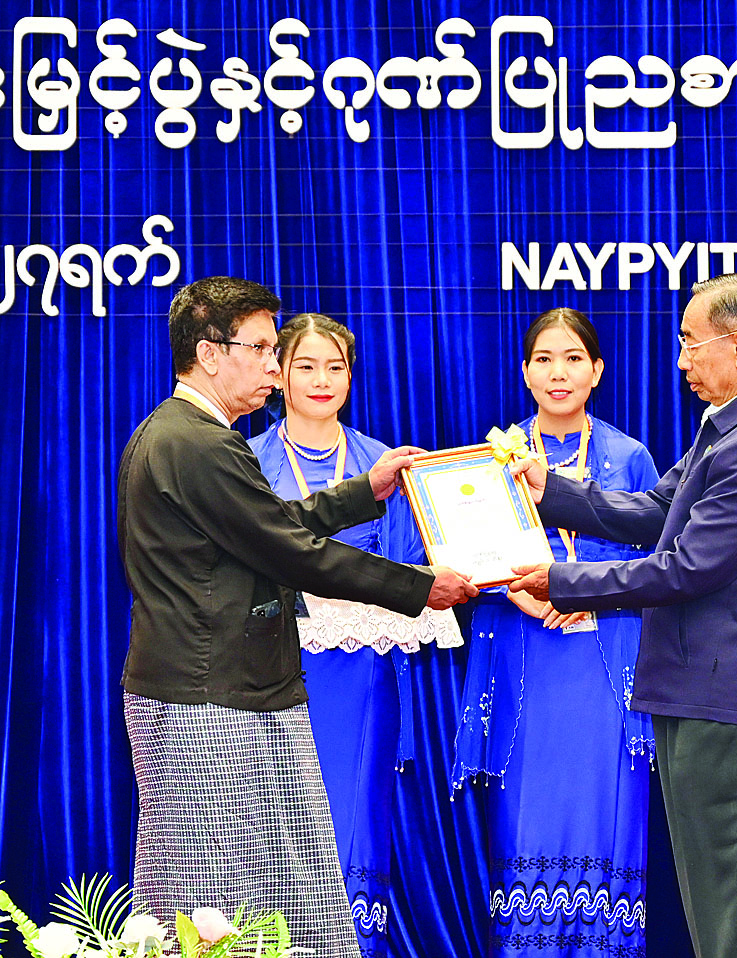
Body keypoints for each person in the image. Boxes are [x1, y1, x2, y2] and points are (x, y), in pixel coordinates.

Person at [117, 277, 477, 957]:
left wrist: (362, 493)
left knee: (235, 892)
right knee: (211, 895)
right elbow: (291, 551)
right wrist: (417, 587)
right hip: (209, 698)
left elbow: (272, 525)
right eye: (259, 348)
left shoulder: (180, 433)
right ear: (209, 353)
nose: (273, 366)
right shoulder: (200, 443)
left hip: (215, 689)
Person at [510, 275, 737, 958]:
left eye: (690, 343)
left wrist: (563, 582)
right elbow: (655, 510)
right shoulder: (733, 421)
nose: (681, 361)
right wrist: (549, 490)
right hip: (691, 684)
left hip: (717, 690)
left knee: (729, 892)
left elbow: (685, 569)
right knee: (711, 887)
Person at [249, 313, 464, 957]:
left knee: (353, 821)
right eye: (306, 366)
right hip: (268, 677)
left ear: (350, 376)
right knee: (270, 830)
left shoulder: (385, 463)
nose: (321, 380)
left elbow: (413, 568)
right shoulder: (247, 463)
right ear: (279, 375)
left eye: (335, 367)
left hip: (364, 674)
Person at [452, 308, 659, 958]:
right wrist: (518, 591)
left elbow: (662, 560)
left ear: (597, 371)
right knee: (527, 824)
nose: (558, 372)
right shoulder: (493, 456)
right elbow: (466, 554)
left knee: (605, 821)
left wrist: (586, 594)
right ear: (524, 371)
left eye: (573, 358)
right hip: (525, 657)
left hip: (605, 657)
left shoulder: (630, 457)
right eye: (544, 358)